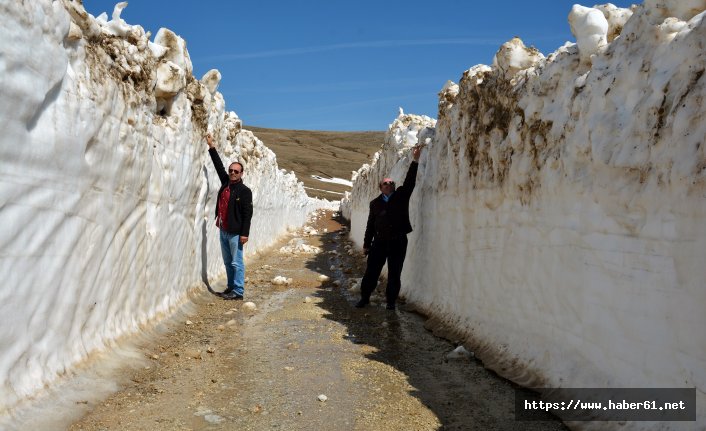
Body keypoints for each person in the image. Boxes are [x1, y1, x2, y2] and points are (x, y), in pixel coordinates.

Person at [356, 145, 422, 310]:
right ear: (381, 187)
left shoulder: (401, 196)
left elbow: (410, 182)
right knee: (371, 271)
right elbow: (370, 225)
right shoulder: (375, 204)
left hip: (398, 241)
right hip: (378, 242)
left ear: (393, 185)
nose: (388, 184)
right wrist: (366, 244)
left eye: (391, 183)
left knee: (394, 273)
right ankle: (364, 298)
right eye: (385, 183)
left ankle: (391, 302)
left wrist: (415, 160)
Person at [206, 134, 253, 300]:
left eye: (236, 171)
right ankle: (231, 287)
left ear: (241, 173)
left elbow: (248, 214)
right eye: (231, 170)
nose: (233, 173)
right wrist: (211, 147)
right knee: (227, 262)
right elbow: (218, 165)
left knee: (237, 262)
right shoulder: (225, 182)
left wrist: (244, 233)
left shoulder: (245, 191)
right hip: (223, 229)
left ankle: (238, 291)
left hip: (235, 232)